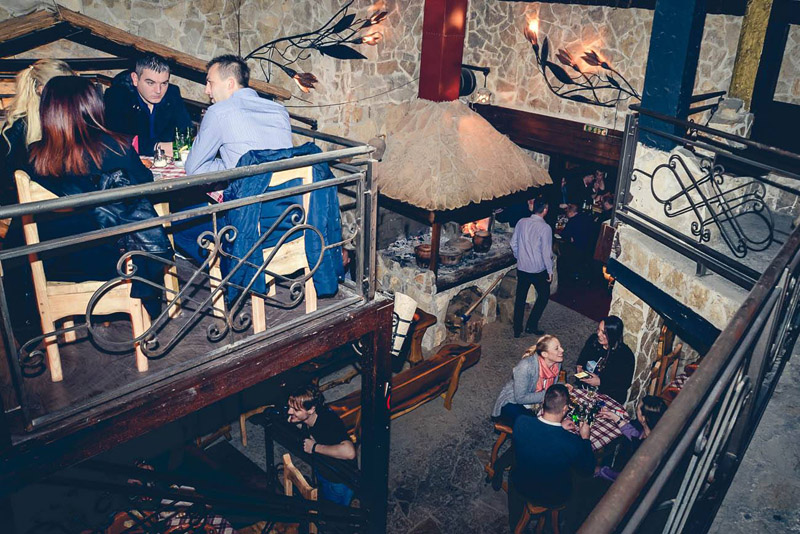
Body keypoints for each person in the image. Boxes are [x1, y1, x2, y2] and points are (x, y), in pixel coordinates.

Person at [28, 76, 170, 318]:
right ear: (92, 105)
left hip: (53, 262)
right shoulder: (116, 146)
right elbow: (145, 184)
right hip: (114, 263)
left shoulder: (35, 155)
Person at [184, 54, 292, 175]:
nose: (206, 90)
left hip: (249, 185)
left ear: (230, 83)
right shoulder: (280, 110)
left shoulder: (218, 112)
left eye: (210, 83)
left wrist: (230, 167)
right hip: (287, 185)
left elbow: (194, 168)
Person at [507, 384, 595, 532]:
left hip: (521, 485)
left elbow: (542, 438)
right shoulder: (572, 442)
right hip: (552, 497)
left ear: (544, 402)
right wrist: (585, 438)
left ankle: (514, 523)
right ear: (565, 409)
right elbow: (588, 470)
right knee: (579, 479)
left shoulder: (521, 422)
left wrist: (559, 427)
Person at [490, 335, 565, 490]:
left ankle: (500, 464)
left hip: (535, 405)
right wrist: (550, 394)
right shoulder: (526, 367)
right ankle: (513, 477)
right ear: (544, 354)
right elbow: (520, 398)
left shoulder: (556, 363)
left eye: (560, 346)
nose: (562, 350)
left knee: (543, 433)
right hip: (512, 403)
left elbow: (552, 384)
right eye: (557, 348)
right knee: (534, 435)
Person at [1, 59, 75, 194]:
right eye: (65, 88)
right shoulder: (19, 125)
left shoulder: (64, 119)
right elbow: (7, 175)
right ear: (41, 89)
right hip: (31, 199)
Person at [103, 54, 192, 157]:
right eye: (150, 83)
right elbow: (119, 142)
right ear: (135, 79)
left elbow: (185, 132)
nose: (158, 90)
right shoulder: (117, 96)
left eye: (164, 83)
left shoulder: (172, 93)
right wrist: (157, 147)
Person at [287, 384, 357, 506]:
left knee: (334, 511)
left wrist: (314, 447)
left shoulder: (327, 423)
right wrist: (296, 420)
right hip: (324, 469)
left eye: (296, 410)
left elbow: (349, 452)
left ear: (311, 410)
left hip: (338, 480)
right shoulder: (310, 416)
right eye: (290, 407)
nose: (289, 411)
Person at [595, 395, 668, 482]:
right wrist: (615, 418)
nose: (636, 409)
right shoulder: (651, 430)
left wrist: (600, 471)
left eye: (638, 409)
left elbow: (625, 476)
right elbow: (635, 435)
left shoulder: (643, 450)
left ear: (643, 418)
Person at [510, 197, 553, 338]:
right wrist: (550, 270)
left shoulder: (521, 222)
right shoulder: (545, 228)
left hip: (522, 268)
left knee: (520, 298)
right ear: (545, 210)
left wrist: (519, 256)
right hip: (537, 270)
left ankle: (517, 329)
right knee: (544, 296)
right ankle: (531, 325)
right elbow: (546, 252)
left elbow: (513, 243)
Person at [575, 316, 635, 404]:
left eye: (604, 333)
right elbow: (583, 357)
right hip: (587, 388)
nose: (599, 334)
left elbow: (624, 384)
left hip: (608, 395)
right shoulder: (593, 340)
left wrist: (600, 382)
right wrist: (579, 367)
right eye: (598, 330)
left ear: (613, 335)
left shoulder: (625, 356)